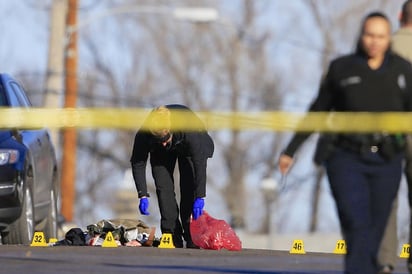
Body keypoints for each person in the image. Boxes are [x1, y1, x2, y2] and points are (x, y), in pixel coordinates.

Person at [278, 12, 412, 274]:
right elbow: (318, 110)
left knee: (374, 229)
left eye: (380, 37)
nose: (374, 42)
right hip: (346, 157)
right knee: (356, 223)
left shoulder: (403, 71)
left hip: (386, 159)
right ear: (361, 36)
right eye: (370, 35)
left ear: (389, 39)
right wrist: (291, 150)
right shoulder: (342, 68)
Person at [130, 104, 214, 248]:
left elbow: (199, 162)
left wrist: (200, 196)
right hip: (162, 154)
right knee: (163, 188)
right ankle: (171, 234)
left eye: (165, 139)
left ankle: (191, 234)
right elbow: (138, 162)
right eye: (159, 140)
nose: (163, 143)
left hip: (187, 147)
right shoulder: (145, 134)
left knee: (188, 188)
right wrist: (142, 194)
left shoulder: (188, 127)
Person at [378, 1, 412, 273]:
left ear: (400, 16)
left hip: (388, 129)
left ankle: (386, 260)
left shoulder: (383, 47)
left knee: (386, 196)